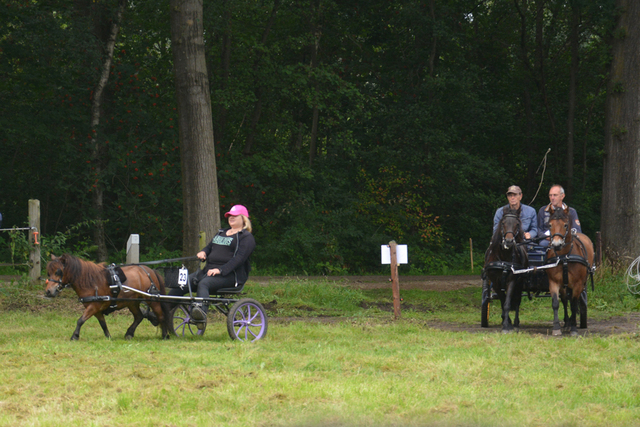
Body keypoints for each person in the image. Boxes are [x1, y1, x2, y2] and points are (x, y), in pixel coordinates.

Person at [168, 204, 256, 329]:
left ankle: (200, 314)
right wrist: (204, 251)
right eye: (229, 215)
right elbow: (210, 247)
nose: (231, 217)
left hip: (230, 276)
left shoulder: (246, 237)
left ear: (243, 219)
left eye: (234, 216)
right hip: (208, 272)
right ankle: (161, 311)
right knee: (183, 282)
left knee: (204, 283)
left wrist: (220, 270)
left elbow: (239, 259)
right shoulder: (222, 232)